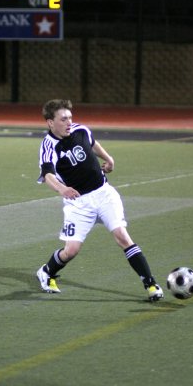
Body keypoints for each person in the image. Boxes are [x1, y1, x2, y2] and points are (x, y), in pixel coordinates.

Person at [36, 99, 164, 302]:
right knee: (71, 251)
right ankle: (46, 271)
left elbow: (92, 143)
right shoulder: (48, 145)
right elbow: (48, 174)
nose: (69, 122)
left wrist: (108, 158)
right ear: (50, 123)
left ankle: (151, 284)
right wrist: (62, 189)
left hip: (104, 194)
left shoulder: (81, 130)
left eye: (70, 117)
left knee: (122, 236)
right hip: (78, 203)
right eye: (63, 119)